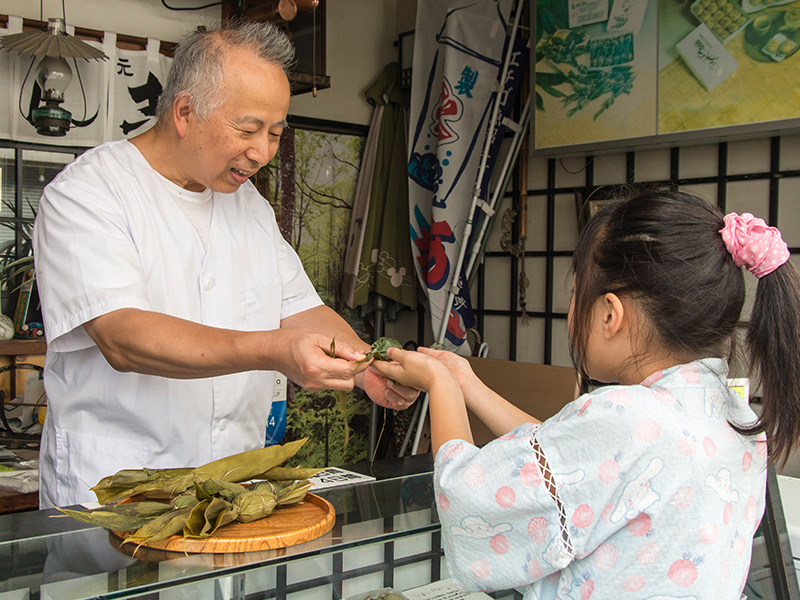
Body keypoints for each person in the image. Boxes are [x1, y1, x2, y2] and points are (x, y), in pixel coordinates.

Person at [32, 21, 417, 509]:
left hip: (232, 485)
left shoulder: (249, 206)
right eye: (248, 129)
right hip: (118, 486)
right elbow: (124, 337)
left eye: (275, 133)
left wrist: (366, 365)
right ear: (185, 112)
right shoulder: (87, 194)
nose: (262, 153)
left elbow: (297, 309)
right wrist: (274, 350)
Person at [372, 190, 800, 599]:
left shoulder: (627, 417)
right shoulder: (733, 417)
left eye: (577, 294)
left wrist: (440, 387)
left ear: (611, 314)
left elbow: (466, 496)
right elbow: (572, 465)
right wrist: (468, 384)